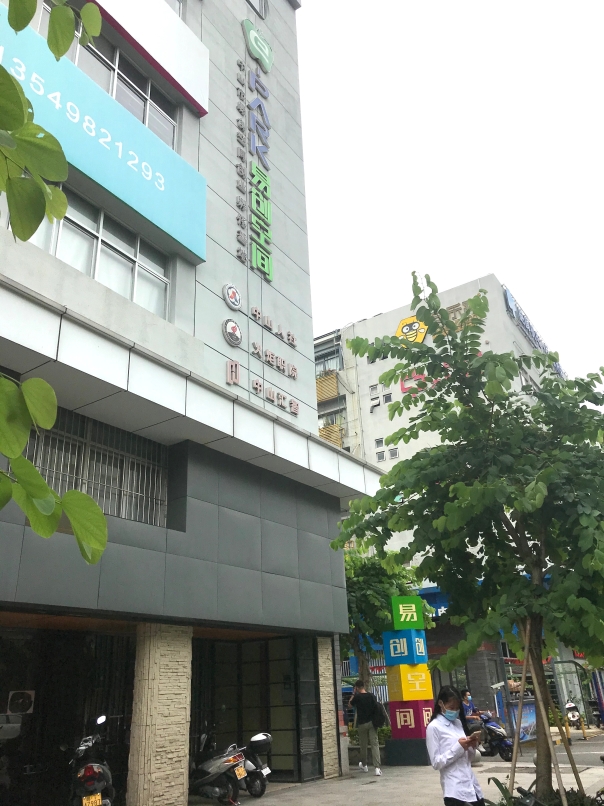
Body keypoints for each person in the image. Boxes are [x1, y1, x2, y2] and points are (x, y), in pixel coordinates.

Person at [426, 685, 484, 806]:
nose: (454, 711)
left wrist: (471, 745)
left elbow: (468, 759)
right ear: (441, 704)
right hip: (454, 790)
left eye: (457, 708)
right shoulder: (434, 727)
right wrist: (459, 747)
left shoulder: (458, 723)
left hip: (472, 786)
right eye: (451, 707)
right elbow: (436, 763)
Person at [349, 680, 382, 776]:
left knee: (363, 745)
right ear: (363, 686)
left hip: (362, 724)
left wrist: (353, 693)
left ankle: (364, 765)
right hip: (372, 723)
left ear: (356, 688)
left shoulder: (357, 697)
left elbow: (350, 705)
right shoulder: (372, 696)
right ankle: (377, 768)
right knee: (374, 744)